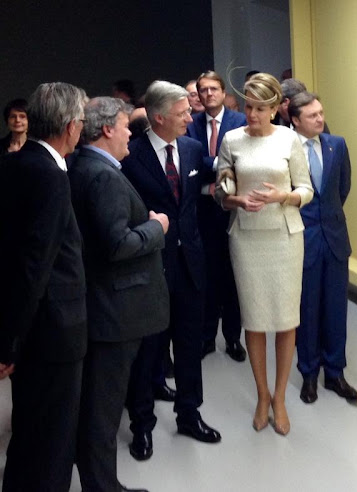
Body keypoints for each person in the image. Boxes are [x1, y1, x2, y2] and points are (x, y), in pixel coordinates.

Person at [68, 97, 170, 492]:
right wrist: (156, 227)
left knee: (98, 403)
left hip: (100, 304)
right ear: (108, 129)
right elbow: (115, 245)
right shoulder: (105, 175)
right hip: (115, 310)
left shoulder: (83, 165)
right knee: (104, 408)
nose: (131, 132)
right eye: (126, 126)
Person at [122, 81, 220, 462]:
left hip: (190, 265)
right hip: (150, 268)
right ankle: (142, 427)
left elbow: (213, 180)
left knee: (190, 346)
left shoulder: (194, 149)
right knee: (148, 351)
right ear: (158, 117)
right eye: (182, 113)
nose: (190, 117)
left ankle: (189, 414)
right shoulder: (131, 156)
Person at [0, 82, 87, 492]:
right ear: (70, 126)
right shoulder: (51, 175)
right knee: (52, 441)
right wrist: (11, 339)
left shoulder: (14, 162)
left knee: (28, 430)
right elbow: (36, 263)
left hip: (30, 327)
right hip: (53, 329)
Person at [215, 73, 313, 435]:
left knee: (286, 320)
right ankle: (261, 395)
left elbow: (306, 190)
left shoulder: (289, 139)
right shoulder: (231, 140)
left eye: (260, 108)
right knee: (254, 320)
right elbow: (222, 187)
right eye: (248, 107)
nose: (251, 114)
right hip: (247, 238)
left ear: (275, 108)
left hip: (285, 238)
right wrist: (232, 198)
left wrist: (282, 197)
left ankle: (280, 399)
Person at [288, 92, 357, 404]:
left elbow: (343, 187)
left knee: (335, 309)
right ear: (295, 120)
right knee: (308, 309)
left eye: (321, 112)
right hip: (303, 239)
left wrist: (327, 217)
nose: (320, 119)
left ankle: (335, 372)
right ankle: (309, 374)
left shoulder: (336, 144)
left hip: (334, 238)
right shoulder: (285, 149)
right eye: (312, 115)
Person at [186, 71, 247, 362]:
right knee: (206, 275)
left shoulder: (240, 122)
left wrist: (212, 163)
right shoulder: (191, 124)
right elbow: (191, 160)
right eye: (203, 90)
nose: (208, 94)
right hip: (202, 209)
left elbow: (241, 161)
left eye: (213, 89)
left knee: (233, 275)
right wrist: (220, 163)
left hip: (232, 208)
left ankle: (234, 338)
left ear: (223, 93)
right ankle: (207, 337)